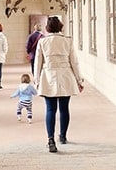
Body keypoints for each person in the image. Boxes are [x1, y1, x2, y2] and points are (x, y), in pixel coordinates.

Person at [33, 16, 84, 153]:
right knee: (64, 108)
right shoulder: (67, 41)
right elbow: (74, 61)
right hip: (66, 76)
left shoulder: (42, 41)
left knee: (50, 109)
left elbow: (37, 62)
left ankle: (50, 139)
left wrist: (37, 81)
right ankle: (62, 136)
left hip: (48, 76)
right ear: (61, 27)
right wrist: (79, 80)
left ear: (47, 28)